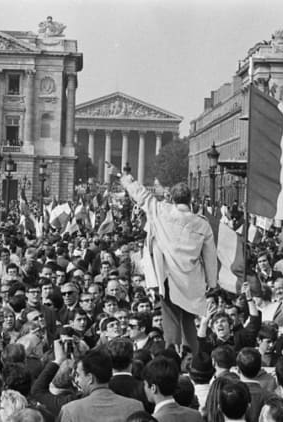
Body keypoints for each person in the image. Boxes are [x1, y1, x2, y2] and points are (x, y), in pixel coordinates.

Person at [120, 174, 217, 351]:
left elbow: (141, 194)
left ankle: (173, 352)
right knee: (189, 318)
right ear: (191, 199)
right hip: (193, 279)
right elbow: (210, 256)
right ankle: (191, 355)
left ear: (171, 198)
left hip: (169, 277)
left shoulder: (161, 211)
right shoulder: (202, 224)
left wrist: (123, 177)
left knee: (171, 318)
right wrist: (211, 282)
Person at [58, 349, 143, 422]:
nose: (77, 380)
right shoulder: (135, 407)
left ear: (90, 378)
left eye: (78, 375)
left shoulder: (70, 411)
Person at [141, 357, 203, 422]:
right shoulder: (196, 416)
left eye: (145, 384)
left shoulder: (153, 420)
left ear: (153, 388)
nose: (144, 388)